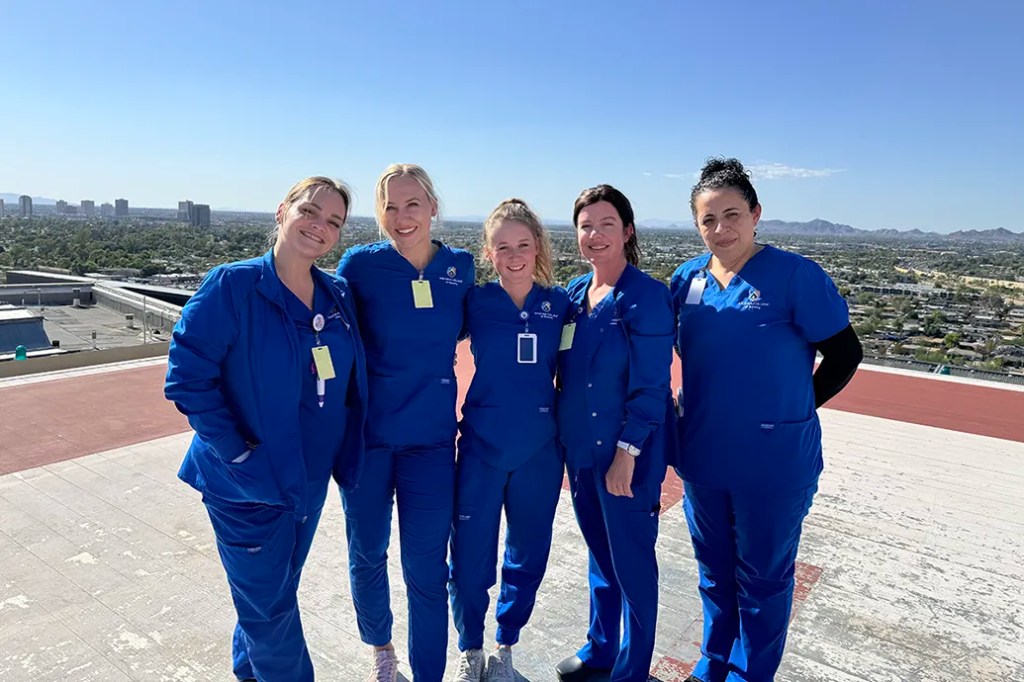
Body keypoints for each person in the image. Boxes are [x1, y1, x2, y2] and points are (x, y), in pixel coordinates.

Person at [165, 177, 367, 682]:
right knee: (270, 610)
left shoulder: (336, 293)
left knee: (272, 595)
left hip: (309, 480)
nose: (319, 226)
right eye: (310, 211)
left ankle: (249, 673)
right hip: (248, 485)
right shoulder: (233, 286)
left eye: (334, 222)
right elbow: (188, 379)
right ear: (283, 211)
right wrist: (237, 455)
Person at [671, 158, 863, 682]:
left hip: (773, 464)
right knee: (714, 573)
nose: (720, 229)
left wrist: (794, 411)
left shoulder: (794, 276)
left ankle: (749, 674)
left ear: (756, 214)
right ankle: (712, 665)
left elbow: (845, 354)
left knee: (763, 578)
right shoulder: (686, 279)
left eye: (732, 215)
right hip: (704, 456)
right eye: (707, 220)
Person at [337, 163, 474, 682]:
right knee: (368, 552)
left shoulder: (459, 268)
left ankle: (428, 673)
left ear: (433, 207)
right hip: (370, 441)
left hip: (432, 443)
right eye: (390, 207)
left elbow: (471, 329)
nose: (402, 217)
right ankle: (382, 649)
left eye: (412, 204)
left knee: (426, 569)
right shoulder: (360, 266)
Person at [554, 185, 675, 682]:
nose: (595, 234)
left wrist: (627, 453)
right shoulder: (575, 296)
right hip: (582, 452)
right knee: (601, 554)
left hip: (627, 455)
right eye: (586, 225)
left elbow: (651, 385)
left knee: (632, 563)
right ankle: (601, 647)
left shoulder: (645, 297)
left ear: (627, 231)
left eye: (607, 224)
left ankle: (632, 670)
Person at [447, 199, 570, 682]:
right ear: (488, 252)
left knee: (528, 552)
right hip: (482, 445)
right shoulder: (475, 303)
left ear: (537, 245)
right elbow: (423, 337)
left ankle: (505, 650)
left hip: (540, 449)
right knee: (471, 551)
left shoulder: (559, 306)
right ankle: (470, 649)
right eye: (503, 247)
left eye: (522, 244)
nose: (514, 255)